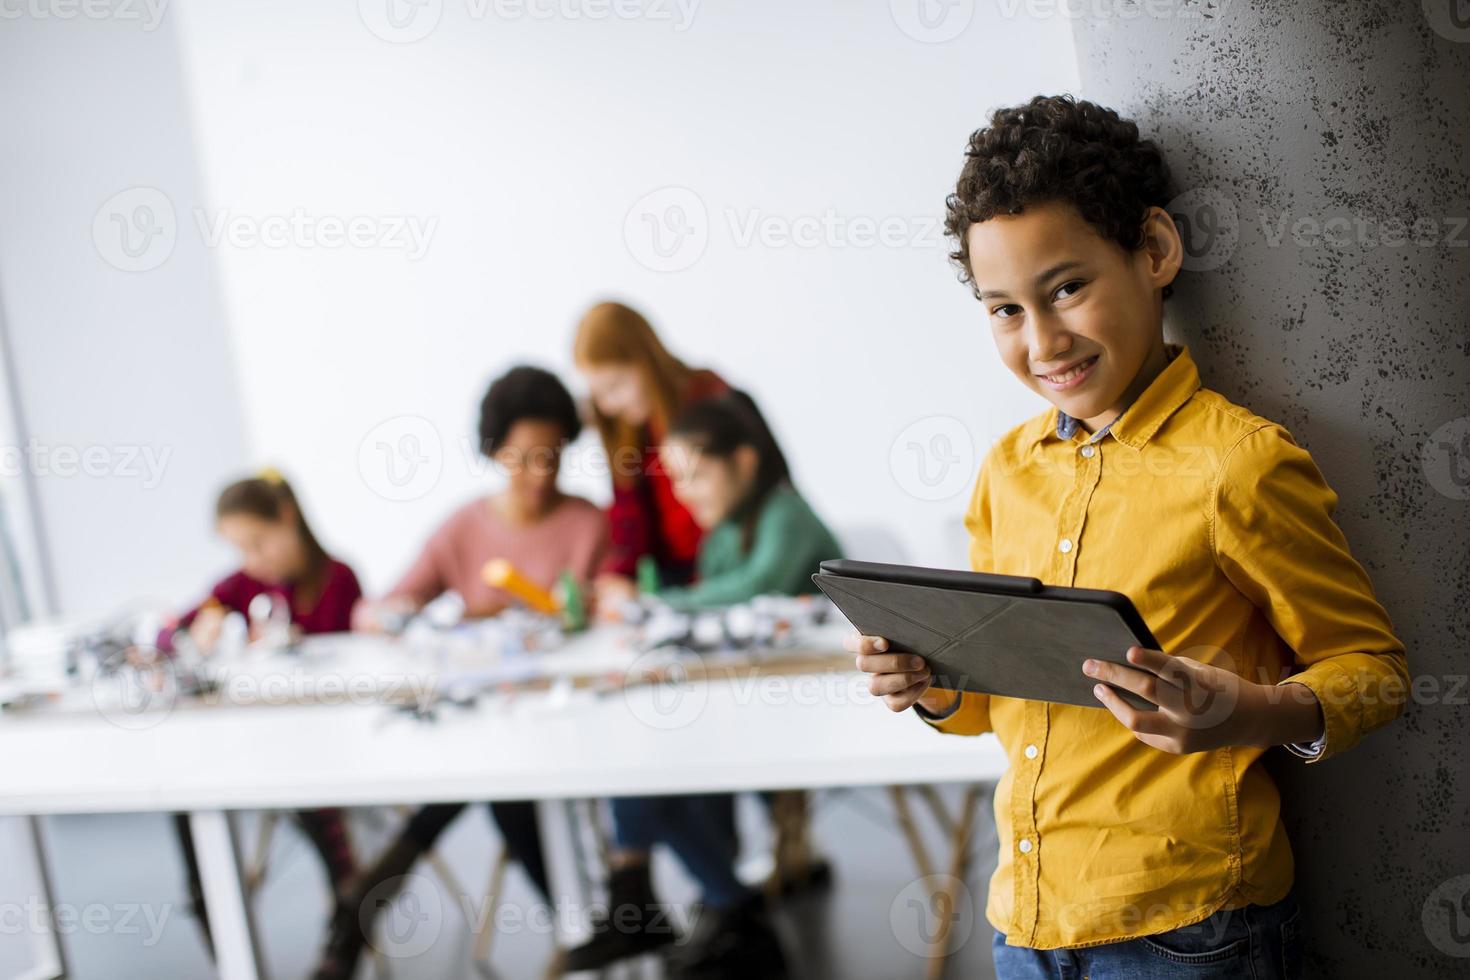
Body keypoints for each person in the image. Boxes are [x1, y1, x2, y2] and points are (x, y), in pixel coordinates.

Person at [852, 95, 1408, 979]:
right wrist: (930, 686)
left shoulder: (1239, 464)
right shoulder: (1006, 472)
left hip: (1191, 931)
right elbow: (993, 705)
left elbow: (1374, 672)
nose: (1042, 341)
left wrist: (1245, 712)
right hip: (1026, 927)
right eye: (1004, 309)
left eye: (1068, 287)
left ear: (1153, 252)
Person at [315, 365, 608, 979]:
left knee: (496, 783)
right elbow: (376, 609)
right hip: (486, 720)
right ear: (493, 450)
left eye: (552, 456)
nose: (539, 474)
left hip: (566, 723)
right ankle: (581, 928)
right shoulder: (464, 528)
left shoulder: (589, 524)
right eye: (522, 457)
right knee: (491, 775)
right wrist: (399, 614)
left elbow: (608, 613)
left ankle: (371, 892)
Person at [565, 392, 841, 979]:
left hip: (814, 711)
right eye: (678, 479)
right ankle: (720, 907)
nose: (685, 493)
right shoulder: (721, 534)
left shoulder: (784, 515)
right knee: (645, 764)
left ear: (743, 461)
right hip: (744, 705)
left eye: (696, 474)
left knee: (651, 769)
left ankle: (697, 902)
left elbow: (750, 589)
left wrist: (650, 600)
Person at [165, 471, 362, 958]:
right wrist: (196, 633)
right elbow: (170, 631)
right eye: (241, 550)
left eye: (260, 543)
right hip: (260, 742)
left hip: (324, 744)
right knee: (185, 793)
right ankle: (214, 918)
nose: (254, 560)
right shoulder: (239, 585)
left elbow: (359, 662)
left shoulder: (338, 581)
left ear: (288, 518)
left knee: (309, 792)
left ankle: (347, 916)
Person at [572, 300, 729, 608]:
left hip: (722, 569)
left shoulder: (711, 398)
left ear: (646, 362)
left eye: (616, 386)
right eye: (598, 393)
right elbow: (629, 517)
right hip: (668, 577)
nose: (608, 405)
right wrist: (618, 576)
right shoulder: (623, 429)